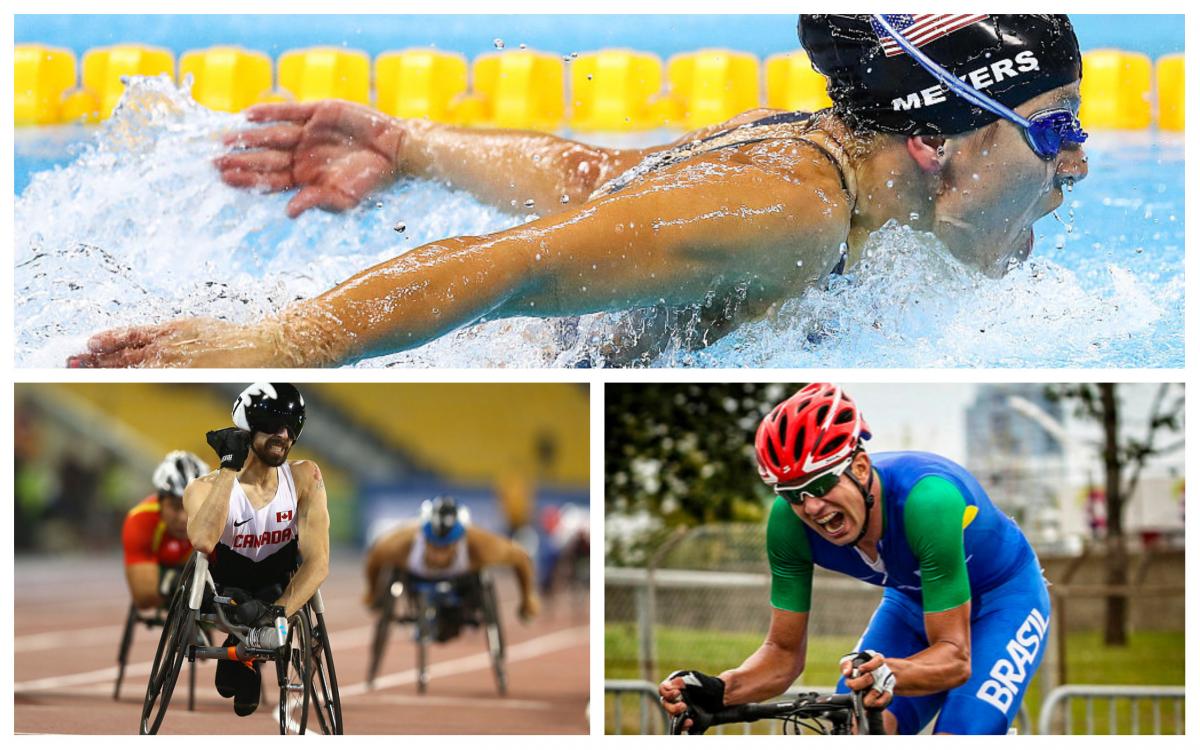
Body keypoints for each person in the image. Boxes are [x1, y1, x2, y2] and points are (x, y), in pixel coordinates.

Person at [71, 14, 1087, 368]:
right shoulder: (793, 210)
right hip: (511, 355)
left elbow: (601, 181)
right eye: (1052, 129)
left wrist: (410, 142)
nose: (1075, 162)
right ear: (929, 141)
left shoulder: (818, 163)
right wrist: (286, 343)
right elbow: (519, 265)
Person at [658, 383, 1051, 735]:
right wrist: (722, 690)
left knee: (960, 734)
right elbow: (781, 655)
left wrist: (891, 672)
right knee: (855, 731)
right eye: (792, 492)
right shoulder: (788, 524)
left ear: (860, 468)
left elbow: (955, 659)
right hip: (911, 604)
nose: (810, 506)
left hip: (1004, 601)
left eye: (821, 484)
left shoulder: (927, 502)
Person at [184, 382, 330, 717]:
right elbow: (204, 541)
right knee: (242, 608)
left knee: (259, 607)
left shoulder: (305, 477)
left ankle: (243, 656)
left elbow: (318, 563)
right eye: (271, 424)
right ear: (247, 427)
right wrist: (228, 470)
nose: (283, 434)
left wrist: (278, 612)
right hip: (223, 592)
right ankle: (242, 653)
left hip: (276, 590)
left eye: (291, 427)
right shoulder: (201, 487)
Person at [364, 495, 540, 631]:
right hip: (415, 579)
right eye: (433, 546)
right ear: (424, 539)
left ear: (457, 542)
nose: (438, 555)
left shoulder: (479, 545)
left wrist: (527, 599)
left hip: (461, 582)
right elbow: (374, 558)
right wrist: (373, 592)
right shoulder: (401, 544)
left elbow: (521, 558)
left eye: (445, 547)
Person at [121, 450, 209, 609]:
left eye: (191, 505)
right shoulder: (140, 519)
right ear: (160, 502)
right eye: (175, 506)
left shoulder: (219, 518)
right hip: (161, 571)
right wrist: (173, 582)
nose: (183, 517)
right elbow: (144, 598)